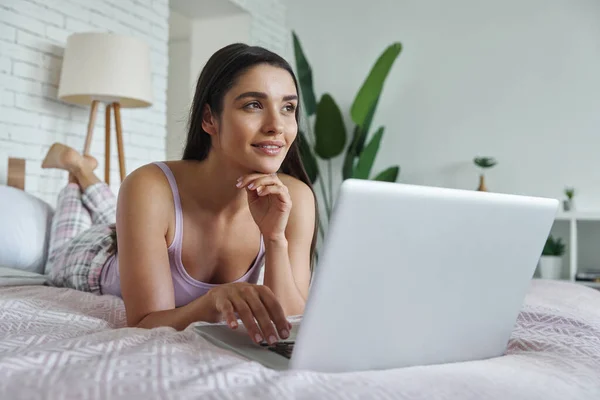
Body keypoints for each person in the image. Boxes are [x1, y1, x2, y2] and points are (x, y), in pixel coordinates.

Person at [43, 43, 318, 346]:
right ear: (209, 119)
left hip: (145, 230)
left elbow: (289, 323)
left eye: (288, 108)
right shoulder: (149, 185)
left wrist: (275, 237)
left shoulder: (295, 198)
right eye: (253, 104)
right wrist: (212, 303)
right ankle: (76, 174)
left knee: (116, 215)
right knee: (60, 250)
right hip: (98, 254)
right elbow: (144, 323)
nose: (276, 126)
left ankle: (84, 171)